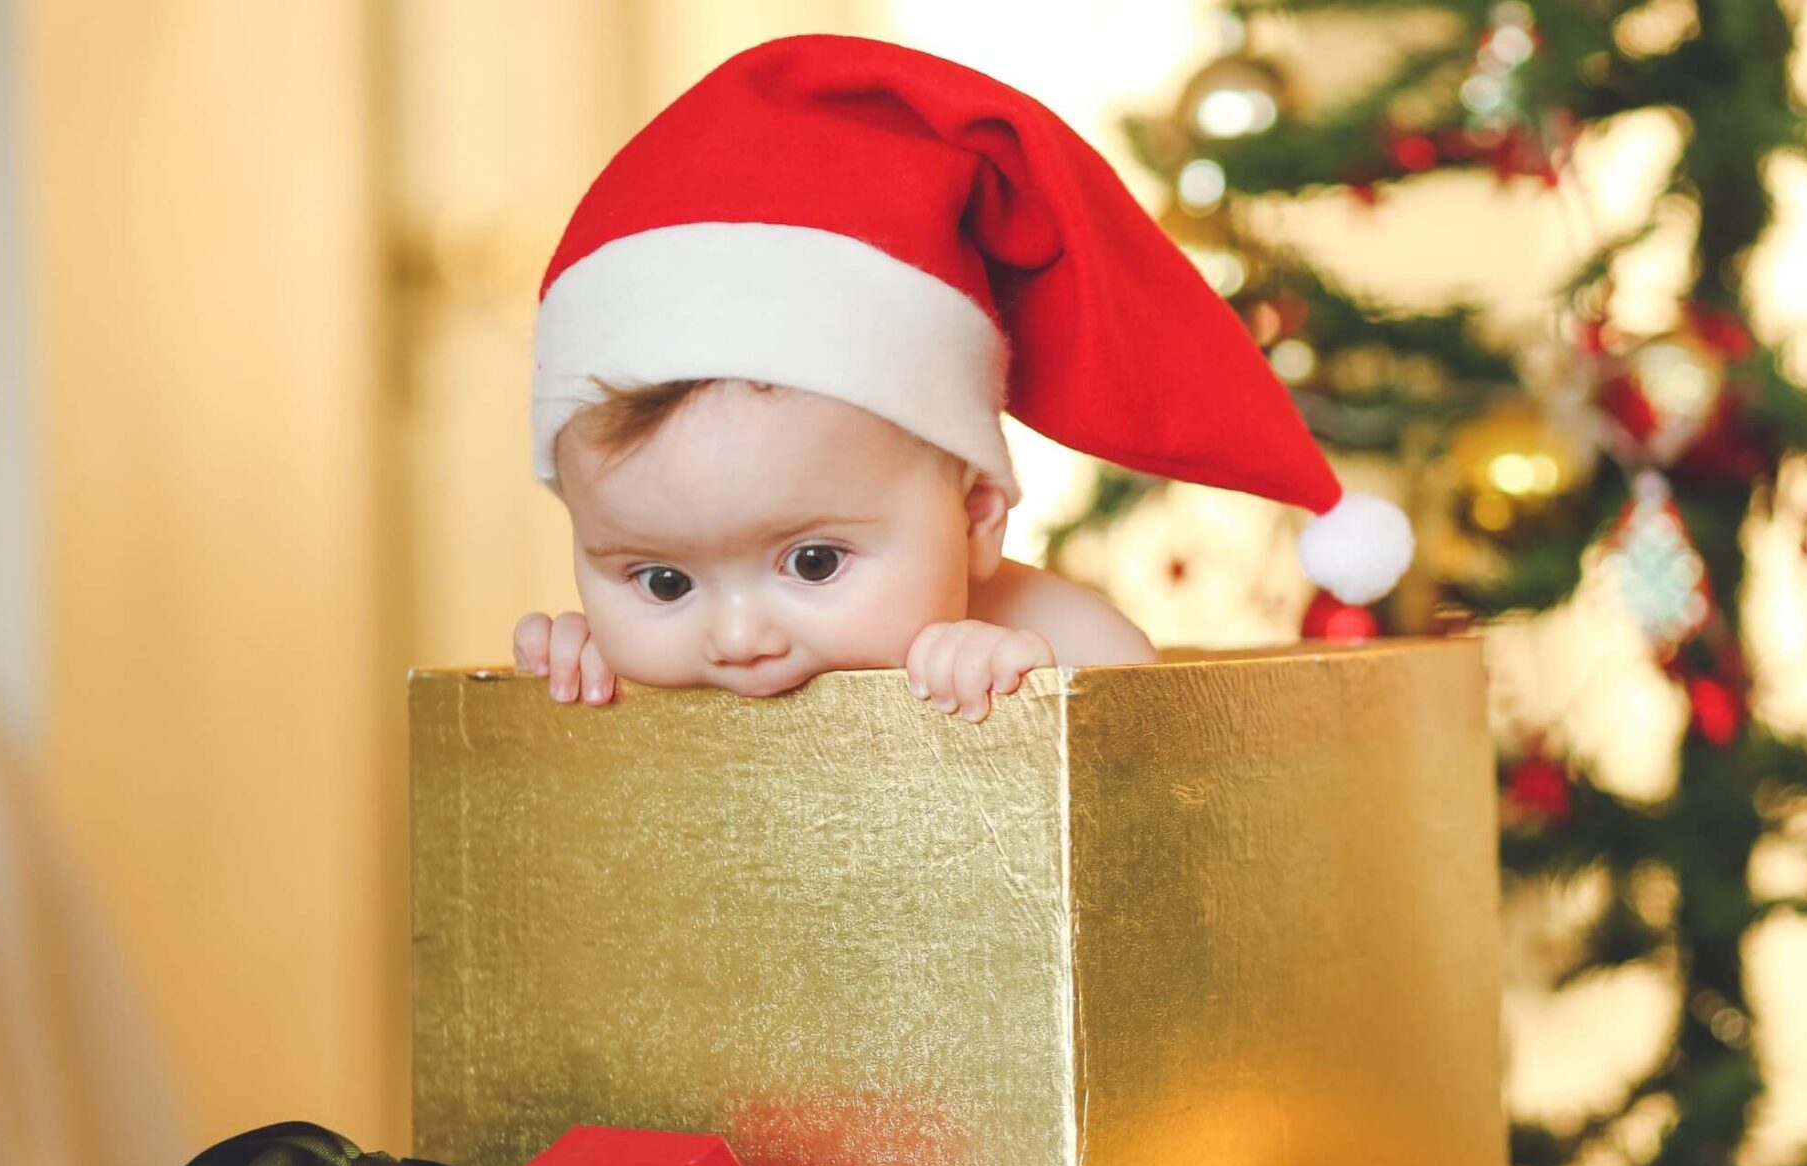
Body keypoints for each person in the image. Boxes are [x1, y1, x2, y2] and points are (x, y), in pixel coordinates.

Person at [510, 34, 1413, 721]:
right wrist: (584, 678)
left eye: (814, 563)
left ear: (977, 513)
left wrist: (1026, 686)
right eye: (660, 582)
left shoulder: (1031, 624)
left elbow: (1137, 739)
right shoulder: (647, 657)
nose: (738, 639)